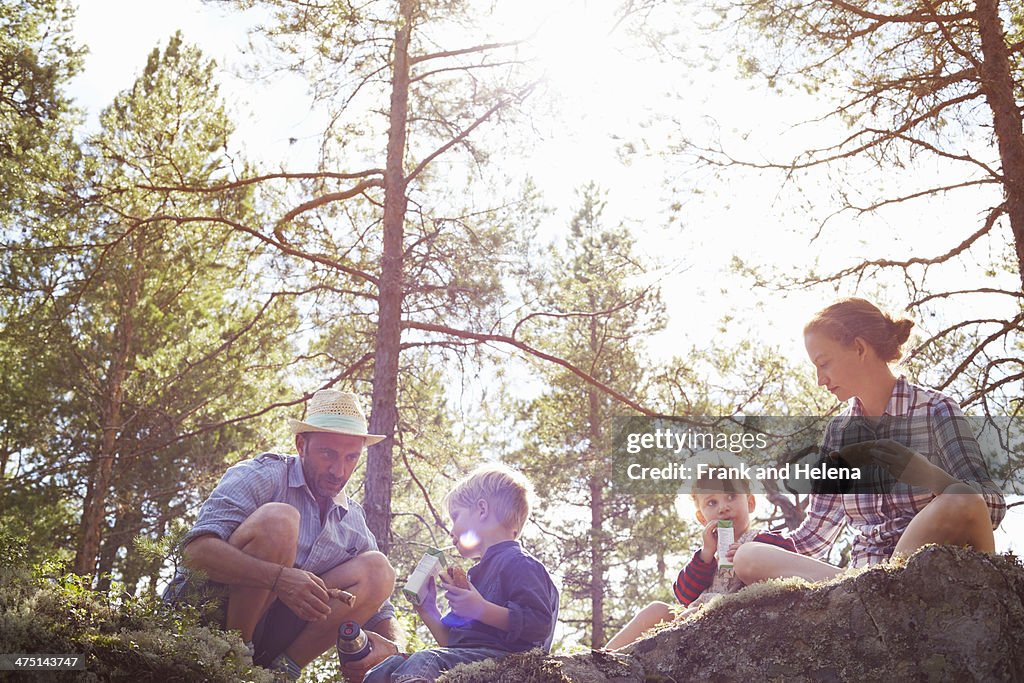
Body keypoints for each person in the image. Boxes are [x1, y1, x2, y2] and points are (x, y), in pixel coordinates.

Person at [733, 297, 1006, 584]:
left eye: (823, 363)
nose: (819, 380)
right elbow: (813, 537)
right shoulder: (838, 433)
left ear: (860, 348)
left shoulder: (936, 409)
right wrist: (749, 542)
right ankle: (869, 591)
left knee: (960, 498)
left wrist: (932, 477)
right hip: (861, 580)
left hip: (930, 574)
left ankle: (882, 590)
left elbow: (989, 509)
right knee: (749, 557)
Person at [163, 389, 401, 682]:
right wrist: (278, 578)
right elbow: (193, 554)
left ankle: (281, 673)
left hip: (273, 636)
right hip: (207, 615)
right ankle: (233, 660)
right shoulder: (263, 475)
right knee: (281, 520)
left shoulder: (352, 520)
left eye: (351, 457)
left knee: (378, 569)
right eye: (328, 453)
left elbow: (379, 606)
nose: (339, 471)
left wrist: (395, 651)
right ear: (301, 444)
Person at [364, 464, 559, 683]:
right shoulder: (476, 577)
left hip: (510, 664)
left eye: (455, 517)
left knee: (423, 661)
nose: (451, 530)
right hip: (475, 660)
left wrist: (481, 609)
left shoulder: (520, 563)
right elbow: (453, 644)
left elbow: (539, 624)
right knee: (389, 667)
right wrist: (428, 610)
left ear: (482, 510)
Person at [604, 473, 794, 650]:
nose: (723, 507)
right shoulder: (708, 555)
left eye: (731, 496)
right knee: (656, 610)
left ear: (750, 502)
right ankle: (600, 663)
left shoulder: (763, 540)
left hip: (737, 615)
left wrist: (750, 552)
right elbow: (684, 596)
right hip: (694, 617)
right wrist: (706, 554)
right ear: (702, 517)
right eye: (712, 502)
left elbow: (791, 564)